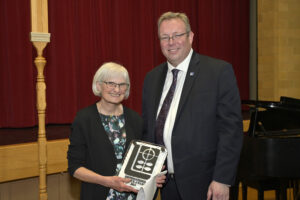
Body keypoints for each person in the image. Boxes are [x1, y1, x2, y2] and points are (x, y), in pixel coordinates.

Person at [142, 12, 243, 200]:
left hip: (206, 185)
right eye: (165, 37)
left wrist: (222, 179)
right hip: (167, 186)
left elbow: (231, 131)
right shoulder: (152, 78)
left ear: (190, 36)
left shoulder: (218, 72)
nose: (171, 42)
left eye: (177, 35)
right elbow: (148, 130)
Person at [68, 62, 165, 200]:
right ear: (98, 85)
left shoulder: (135, 119)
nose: (117, 89)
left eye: (122, 85)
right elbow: (75, 168)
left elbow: (142, 159)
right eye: (111, 83)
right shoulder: (84, 119)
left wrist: (152, 175)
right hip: (98, 194)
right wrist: (107, 181)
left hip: (132, 196)